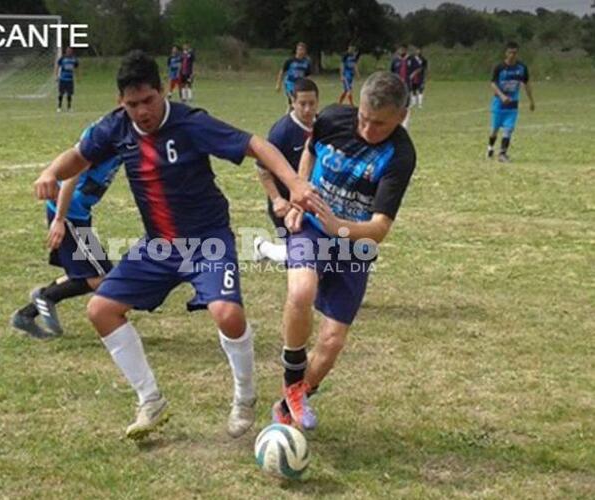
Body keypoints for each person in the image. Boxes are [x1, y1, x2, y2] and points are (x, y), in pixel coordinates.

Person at [33, 51, 316, 440]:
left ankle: (244, 396)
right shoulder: (116, 128)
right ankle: (150, 400)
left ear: (163, 90)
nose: (141, 111)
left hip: (207, 241)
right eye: (132, 104)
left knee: (227, 314)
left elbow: (255, 145)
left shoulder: (190, 123)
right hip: (159, 246)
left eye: (148, 100)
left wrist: (295, 183)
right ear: (121, 102)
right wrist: (50, 171)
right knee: (101, 310)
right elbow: (78, 157)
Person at [271, 72, 417, 430]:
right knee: (301, 290)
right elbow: (309, 151)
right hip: (312, 228)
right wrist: (298, 194)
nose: (367, 130)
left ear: (401, 116)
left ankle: (292, 403)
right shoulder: (333, 118)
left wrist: (341, 228)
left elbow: (380, 228)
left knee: (333, 341)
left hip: (354, 245)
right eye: (363, 118)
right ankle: (293, 385)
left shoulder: (400, 155)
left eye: (379, 124)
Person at [12, 125, 121, 338]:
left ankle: (27, 314)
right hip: (69, 214)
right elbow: (71, 175)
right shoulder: (105, 137)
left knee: (84, 273)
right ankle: (45, 297)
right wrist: (60, 219)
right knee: (101, 276)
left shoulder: (124, 135)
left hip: (77, 213)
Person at [254, 78, 319, 263]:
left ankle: (263, 248)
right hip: (285, 203)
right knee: (300, 256)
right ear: (292, 102)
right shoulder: (282, 132)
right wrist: (276, 200)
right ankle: (262, 247)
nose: (307, 109)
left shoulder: (322, 125)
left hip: (311, 199)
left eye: (312, 103)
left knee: (316, 251)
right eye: (302, 104)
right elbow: (262, 168)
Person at [487, 41, 534, 163]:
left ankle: (502, 153)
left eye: (515, 53)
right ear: (505, 53)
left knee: (509, 129)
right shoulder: (499, 68)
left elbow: (526, 83)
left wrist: (531, 100)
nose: (512, 55)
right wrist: (502, 96)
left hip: (513, 104)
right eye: (510, 52)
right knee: (495, 129)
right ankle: (490, 148)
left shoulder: (521, 68)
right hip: (499, 104)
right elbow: (493, 84)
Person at [276, 42, 312, 108]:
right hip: (290, 84)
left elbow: (308, 76)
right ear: (296, 50)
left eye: (302, 50)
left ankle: (289, 116)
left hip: (300, 85)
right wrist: (278, 84)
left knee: (294, 105)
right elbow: (282, 72)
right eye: (299, 49)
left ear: (305, 51)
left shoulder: (307, 63)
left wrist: (309, 86)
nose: (301, 51)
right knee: (294, 102)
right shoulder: (290, 61)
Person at [389, 45, 412, 128]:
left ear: (406, 50)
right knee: (396, 104)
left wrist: (412, 77)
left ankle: (405, 124)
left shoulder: (410, 60)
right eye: (400, 49)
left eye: (403, 49)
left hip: (407, 85)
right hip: (397, 85)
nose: (401, 51)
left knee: (406, 104)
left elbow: (417, 69)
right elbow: (391, 72)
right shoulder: (395, 61)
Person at [56, 47, 80, 112]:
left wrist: (78, 77)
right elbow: (58, 66)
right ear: (66, 51)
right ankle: (59, 107)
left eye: (70, 51)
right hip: (62, 79)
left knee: (69, 94)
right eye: (67, 50)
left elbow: (77, 68)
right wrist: (57, 76)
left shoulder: (74, 59)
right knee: (61, 93)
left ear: (71, 51)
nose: (69, 52)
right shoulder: (62, 58)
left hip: (70, 80)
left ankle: (69, 107)